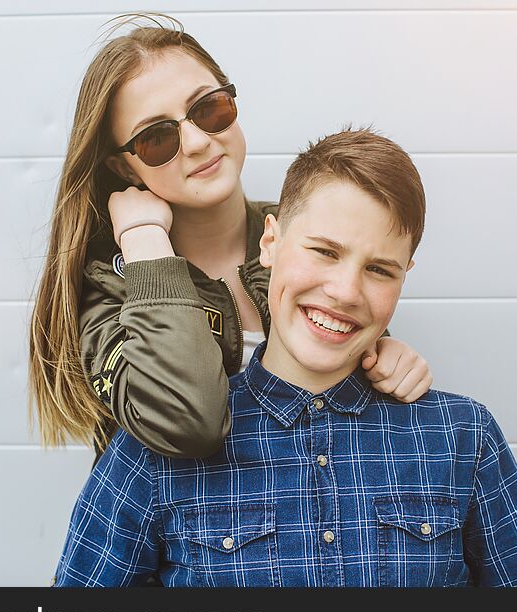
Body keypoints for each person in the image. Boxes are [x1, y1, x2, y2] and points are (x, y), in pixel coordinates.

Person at [53, 128, 517, 587]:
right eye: (324, 251)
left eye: (380, 270)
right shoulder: (152, 454)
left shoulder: (461, 436)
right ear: (270, 242)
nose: (344, 291)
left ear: (406, 275)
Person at [28, 14, 432, 461]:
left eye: (208, 109)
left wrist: (386, 358)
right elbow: (188, 421)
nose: (198, 142)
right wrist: (144, 243)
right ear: (124, 167)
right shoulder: (107, 292)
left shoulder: (308, 237)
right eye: (156, 138)